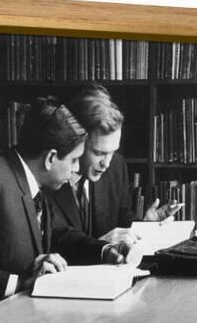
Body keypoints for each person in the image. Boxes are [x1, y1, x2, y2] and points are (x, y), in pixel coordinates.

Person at [0, 97, 135, 321]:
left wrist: (105, 251)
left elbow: (61, 235)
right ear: (50, 158)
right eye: (74, 160)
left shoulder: (37, 186)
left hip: (13, 319)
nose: (77, 169)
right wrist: (17, 282)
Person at [51, 84, 183, 246]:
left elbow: (123, 220)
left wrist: (146, 225)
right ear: (77, 142)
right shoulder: (50, 177)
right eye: (99, 153)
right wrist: (100, 247)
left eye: (112, 152)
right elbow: (55, 245)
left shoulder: (116, 166)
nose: (106, 163)